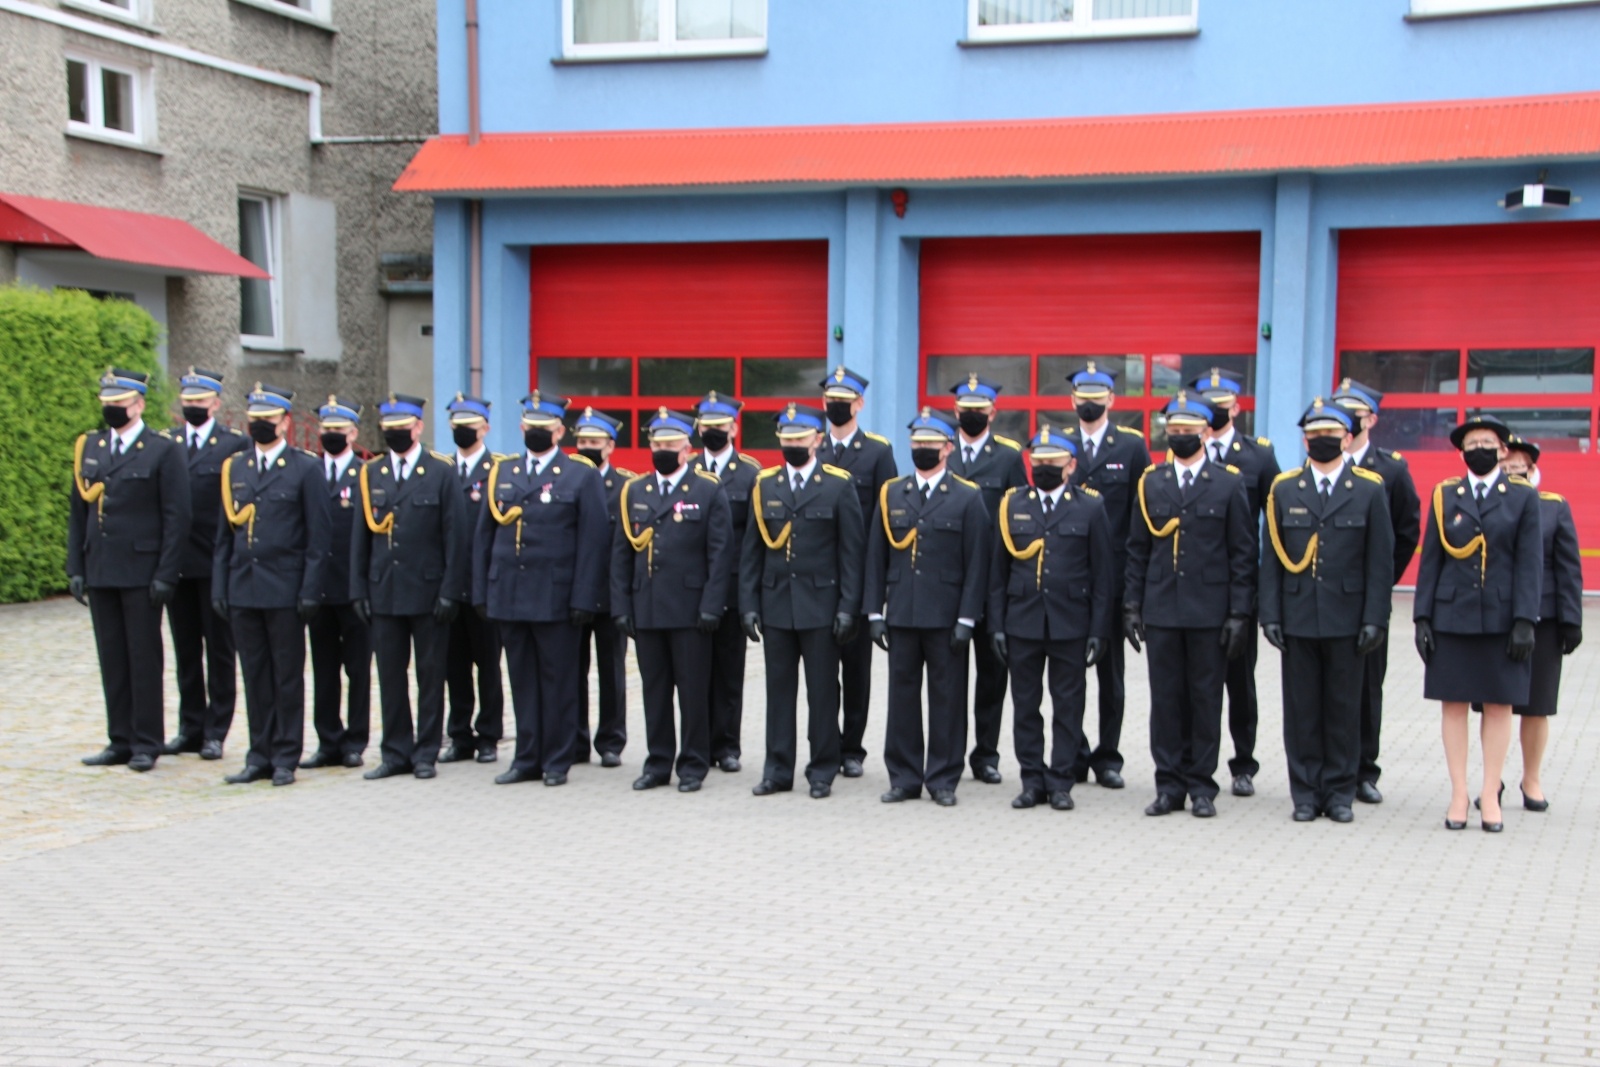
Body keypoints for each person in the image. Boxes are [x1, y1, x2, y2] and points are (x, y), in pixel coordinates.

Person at [1259, 400, 1393, 823]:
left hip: (1347, 617)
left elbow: (1379, 562)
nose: (1321, 441)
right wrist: (1271, 615)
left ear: (1347, 438)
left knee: (1343, 708)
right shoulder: (1284, 489)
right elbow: (1272, 559)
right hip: (1298, 615)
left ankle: (1338, 793)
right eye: (1314, 435)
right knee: (1301, 711)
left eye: (1331, 435)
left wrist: (1376, 618)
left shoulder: (1369, 489)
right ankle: (1304, 792)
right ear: (1304, 440)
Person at [1125, 392, 1255, 818]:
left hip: (1209, 611)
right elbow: (1137, 549)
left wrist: (1239, 613)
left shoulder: (1228, 483)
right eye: (1174, 430)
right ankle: (1169, 785)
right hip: (1162, 609)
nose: (1180, 436)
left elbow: (1242, 553)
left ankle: (1201, 786)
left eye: (1188, 430)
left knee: (1204, 699)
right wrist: (1132, 605)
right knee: (1165, 701)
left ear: (1205, 431)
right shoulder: (1151, 482)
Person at [1413, 413, 1542, 833]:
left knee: (1499, 704)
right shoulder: (1444, 495)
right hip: (1453, 617)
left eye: (1487, 442)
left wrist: (1526, 619)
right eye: (1471, 443)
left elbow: (1530, 563)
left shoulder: (1522, 497)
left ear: (1503, 449)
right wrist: (1422, 617)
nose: (1479, 449)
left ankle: (1490, 793)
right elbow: (1430, 560)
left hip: (1503, 619)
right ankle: (1458, 793)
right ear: (1461, 451)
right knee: (1453, 704)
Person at [474, 391, 609, 787]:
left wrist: (586, 597)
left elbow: (593, 544)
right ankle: (526, 757)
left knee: (559, 680)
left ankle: (557, 759)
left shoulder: (580, 475)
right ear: (521, 429)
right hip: (510, 594)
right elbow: (484, 538)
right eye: (530, 428)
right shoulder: (504, 472)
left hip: (556, 596)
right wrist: (482, 591)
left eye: (544, 428)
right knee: (521, 679)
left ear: (559, 431)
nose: (535, 433)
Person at [863, 408, 991, 807]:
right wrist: (874, 612)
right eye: (917, 444)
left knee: (947, 698)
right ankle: (903, 776)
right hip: (901, 612)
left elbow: (978, 565)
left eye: (931, 444)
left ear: (947, 448)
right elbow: (875, 558)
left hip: (947, 615)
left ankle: (942, 778)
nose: (922, 450)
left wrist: (968, 618)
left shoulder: (968, 498)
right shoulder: (891, 494)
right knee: (901, 697)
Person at [70, 369, 191, 773]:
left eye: (119, 404)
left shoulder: (160, 449)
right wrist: (76, 565)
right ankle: (119, 738)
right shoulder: (91, 446)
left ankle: (146, 741)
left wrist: (166, 573)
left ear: (138, 404)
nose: (111, 410)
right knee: (112, 657)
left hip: (142, 569)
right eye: (107, 403)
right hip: (102, 566)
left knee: (143, 656)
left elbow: (177, 517)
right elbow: (78, 512)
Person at [740, 404, 864, 800]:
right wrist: (749, 603)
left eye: (800, 437)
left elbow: (851, 554)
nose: (793, 444)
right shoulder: (765, 485)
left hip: (821, 606)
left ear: (817, 440)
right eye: (787, 438)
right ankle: (777, 770)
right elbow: (752, 551)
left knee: (822, 692)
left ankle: (822, 769)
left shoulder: (838, 485)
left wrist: (848, 607)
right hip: (777, 603)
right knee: (778, 692)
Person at [989, 425, 1113, 812]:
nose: (1042, 468)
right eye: (1037, 462)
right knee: (1026, 705)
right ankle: (1031, 779)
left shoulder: (1090, 506)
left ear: (1071, 466)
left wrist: (1098, 630)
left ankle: (1061, 781)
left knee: (1067, 706)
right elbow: (998, 572)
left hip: (1070, 622)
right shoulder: (1013, 504)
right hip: (1022, 620)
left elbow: (1103, 574)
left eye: (1052, 463)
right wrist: (996, 624)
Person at [213, 385, 331, 787]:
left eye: (269, 418)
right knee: (254, 673)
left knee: (286, 675)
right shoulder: (237, 467)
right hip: (244, 585)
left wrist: (310, 590)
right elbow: (224, 535)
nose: (260, 425)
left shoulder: (305, 468)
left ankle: (285, 755)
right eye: (255, 419)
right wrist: (220, 586)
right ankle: (258, 754)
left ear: (285, 423)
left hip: (285, 587)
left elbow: (318, 538)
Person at [612, 408, 734, 793]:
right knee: (654, 690)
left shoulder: (707, 490)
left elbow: (720, 554)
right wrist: (621, 606)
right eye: (657, 444)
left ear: (687, 449)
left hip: (690, 609)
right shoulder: (634, 490)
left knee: (693, 691)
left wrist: (713, 605)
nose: (662, 451)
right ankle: (658, 762)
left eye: (670, 445)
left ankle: (694, 764)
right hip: (647, 606)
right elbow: (620, 554)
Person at [352, 394, 471, 781]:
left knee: (430, 674)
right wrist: (359, 589)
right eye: (389, 428)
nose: (395, 434)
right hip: (384, 590)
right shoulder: (372, 473)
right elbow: (360, 538)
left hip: (428, 590)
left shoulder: (440, 472)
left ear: (418, 427)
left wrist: (451, 590)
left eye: (402, 427)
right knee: (389, 674)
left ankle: (426, 752)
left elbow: (456, 536)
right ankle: (394, 752)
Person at [1473, 436, 1581, 813]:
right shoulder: (1482, 504)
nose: (1513, 474)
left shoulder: (1553, 507)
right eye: (1507, 468)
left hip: (1543, 620)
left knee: (1536, 705)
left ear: (1533, 471)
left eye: (1520, 469)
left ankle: (1531, 778)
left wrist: (1572, 619)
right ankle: (1493, 780)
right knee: (1494, 702)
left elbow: (1568, 569)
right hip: (1497, 617)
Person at [1189, 369, 1280, 799]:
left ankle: (1243, 764)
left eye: (1222, 400)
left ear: (1236, 406)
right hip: (1193, 591)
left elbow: (1277, 522)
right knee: (1194, 681)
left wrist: (1267, 590)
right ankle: (1192, 759)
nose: (1215, 407)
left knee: (1239, 684)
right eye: (1207, 400)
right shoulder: (1185, 450)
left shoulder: (1258, 457)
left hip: (1240, 589)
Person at [1331, 378, 1422, 806]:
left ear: (1372, 419)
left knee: (1368, 686)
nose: (1348, 418)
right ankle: (1328, 765)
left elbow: (1406, 533)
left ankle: (1364, 770)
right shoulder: (1321, 460)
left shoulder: (1392, 469)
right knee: (1324, 685)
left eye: (1355, 412)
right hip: (1325, 595)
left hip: (1368, 598)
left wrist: (1381, 580)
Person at [1065, 363, 1151, 790]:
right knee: (1068, 672)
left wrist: (1138, 591)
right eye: (1083, 393)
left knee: (1110, 674)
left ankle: (1108, 757)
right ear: (1073, 400)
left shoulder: (1132, 448)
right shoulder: (1059, 446)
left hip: (1114, 581)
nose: (1090, 401)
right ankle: (1075, 753)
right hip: (1069, 579)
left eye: (1098, 394)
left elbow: (1143, 521)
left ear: (1112, 400)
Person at [160, 367, 247, 761]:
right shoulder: (169, 443)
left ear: (215, 403)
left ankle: (216, 730)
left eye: (200, 400)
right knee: (185, 651)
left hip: (215, 563)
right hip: (179, 562)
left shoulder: (233, 444)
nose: (192, 406)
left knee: (220, 651)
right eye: (188, 400)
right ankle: (190, 727)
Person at [945, 373, 1028, 786]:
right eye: (965, 410)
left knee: (993, 672)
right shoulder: (942, 451)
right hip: (952, 582)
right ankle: (949, 754)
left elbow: (1022, 515)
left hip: (996, 580)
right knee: (950, 674)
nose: (971, 416)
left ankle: (986, 754)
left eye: (979, 410)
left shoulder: (1008, 456)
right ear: (955, 412)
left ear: (993, 413)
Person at [818, 365, 898, 779]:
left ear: (860, 404)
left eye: (844, 399)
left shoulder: (878, 452)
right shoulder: (813, 448)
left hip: (860, 576)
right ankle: (825, 744)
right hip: (818, 574)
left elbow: (890, 516)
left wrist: (881, 582)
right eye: (831, 398)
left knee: (855, 668)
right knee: (820, 667)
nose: (836, 405)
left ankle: (852, 748)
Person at [690, 391, 761, 774]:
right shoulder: (688, 471)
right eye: (707, 426)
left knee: (729, 670)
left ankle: (727, 745)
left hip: (732, 587)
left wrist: (751, 598)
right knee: (695, 671)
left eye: (720, 426)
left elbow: (753, 542)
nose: (712, 431)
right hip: (693, 588)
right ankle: (698, 742)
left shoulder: (750, 474)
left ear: (734, 428)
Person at [303, 396, 371, 769]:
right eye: (326, 430)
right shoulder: (309, 473)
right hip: (320, 587)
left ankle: (355, 741)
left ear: (353, 433)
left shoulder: (364, 474)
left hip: (353, 588)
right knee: (324, 668)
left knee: (358, 668)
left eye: (339, 430)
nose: (331, 436)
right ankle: (327, 740)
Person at [442, 394, 504, 765]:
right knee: (455, 666)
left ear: (485, 428)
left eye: (470, 425)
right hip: (451, 585)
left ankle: (489, 735)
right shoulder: (442, 471)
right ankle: (459, 735)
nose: (463, 431)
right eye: (457, 425)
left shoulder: (498, 471)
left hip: (485, 586)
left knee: (488, 665)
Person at [570, 407, 634, 768]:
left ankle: (611, 741)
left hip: (611, 596)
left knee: (612, 671)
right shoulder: (567, 480)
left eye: (593, 442)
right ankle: (576, 739)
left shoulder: (626, 486)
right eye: (580, 442)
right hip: (575, 593)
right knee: (572, 670)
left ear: (610, 446)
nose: (586, 448)